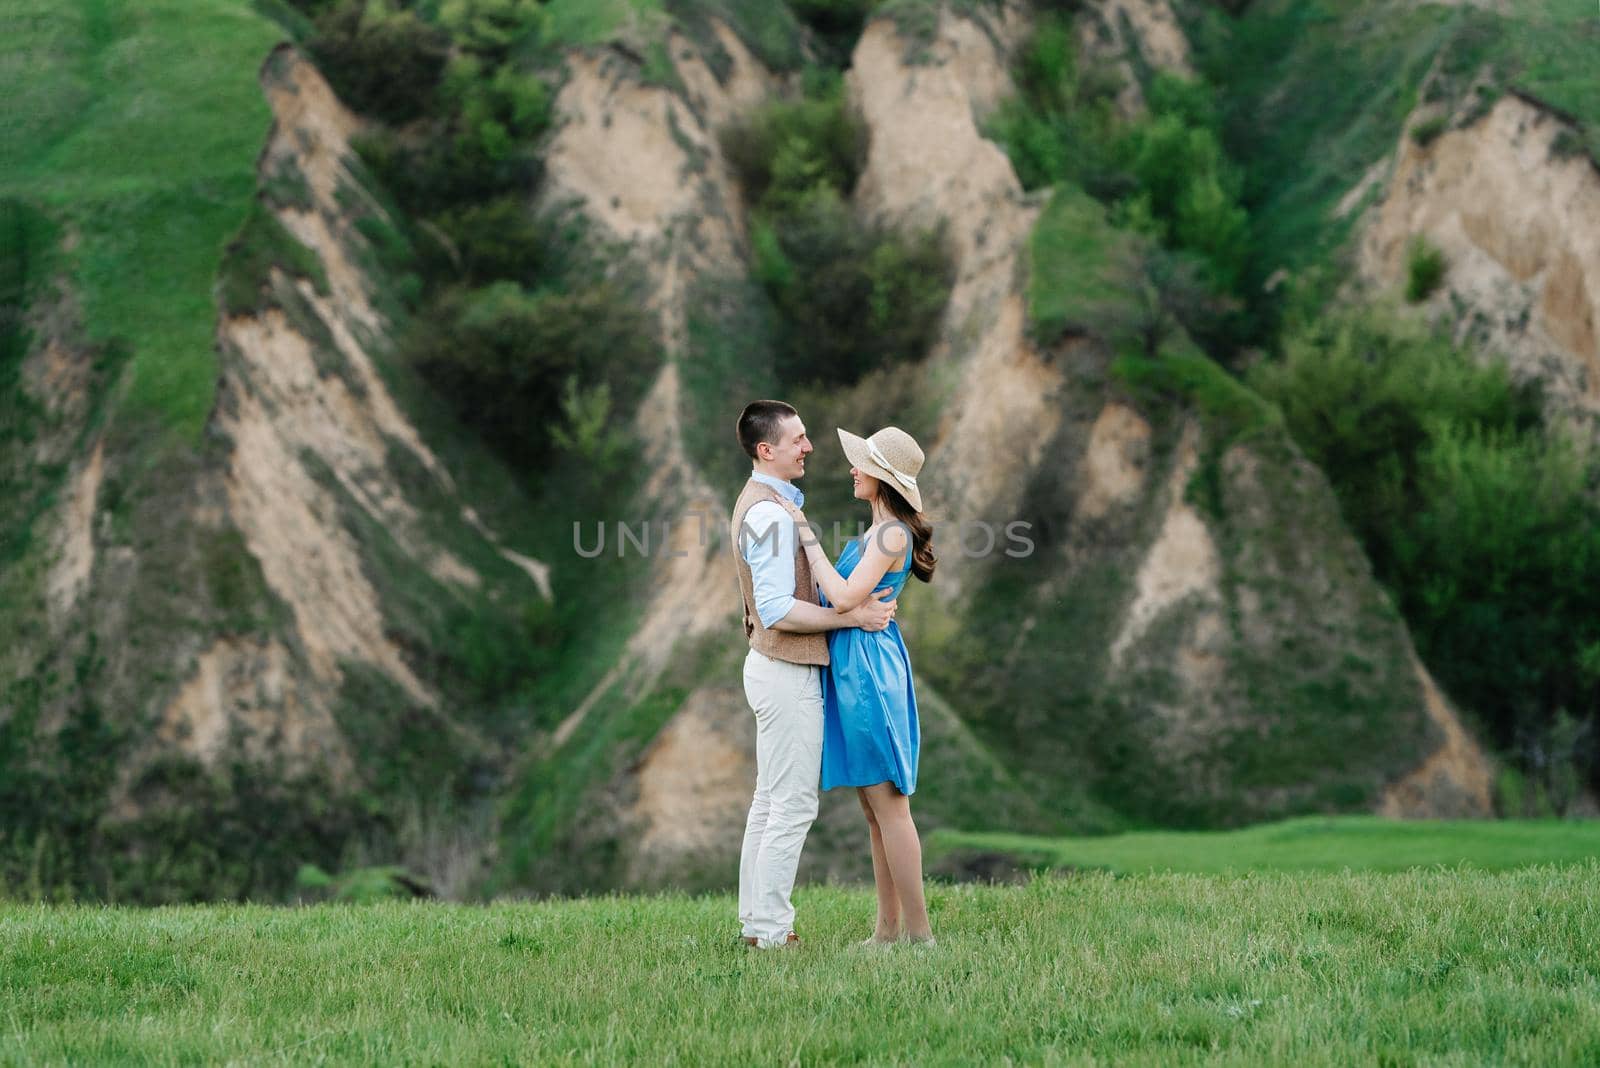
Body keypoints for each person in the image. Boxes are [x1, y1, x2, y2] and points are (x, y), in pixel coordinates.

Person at [730, 400, 898, 950]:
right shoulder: (770, 515)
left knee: (769, 800)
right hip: (785, 670)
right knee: (792, 803)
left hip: (772, 666)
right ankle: (774, 933)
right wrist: (848, 616)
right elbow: (779, 609)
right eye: (798, 439)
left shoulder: (774, 508)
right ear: (766, 450)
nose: (807, 447)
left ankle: (759, 927)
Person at [774, 425, 937, 946]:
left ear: (880, 478)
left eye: (860, 462)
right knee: (874, 810)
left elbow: (842, 596)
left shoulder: (890, 535)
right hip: (854, 665)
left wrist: (805, 535)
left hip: (868, 670)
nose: (851, 469)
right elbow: (845, 603)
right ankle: (887, 932)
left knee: (889, 803)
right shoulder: (877, 532)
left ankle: (920, 935)